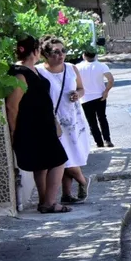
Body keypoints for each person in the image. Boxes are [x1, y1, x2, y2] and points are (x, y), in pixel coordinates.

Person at [4, 37, 70, 213]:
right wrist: (13, 131)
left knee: (42, 165)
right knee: (59, 160)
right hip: (32, 127)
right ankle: (50, 202)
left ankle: (44, 202)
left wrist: (54, 122)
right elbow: (12, 106)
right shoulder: (20, 73)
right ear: (35, 51)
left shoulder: (31, 70)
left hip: (44, 125)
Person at [39, 37, 93, 202]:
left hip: (73, 120)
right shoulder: (39, 72)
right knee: (63, 156)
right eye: (56, 52)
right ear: (45, 54)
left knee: (70, 155)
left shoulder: (71, 68)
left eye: (63, 51)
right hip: (53, 121)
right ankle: (83, 180)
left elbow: (82, 89)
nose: (61, 55)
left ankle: (67, 194)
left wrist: (78, 94)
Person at [77, 49, 114, 148]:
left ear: (84, 55)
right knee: (102, 118)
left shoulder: (78, 67)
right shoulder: (102, 66)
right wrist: (106, 91)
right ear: (95, 55)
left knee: (92, 121)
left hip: (85, 98)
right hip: (100, 96)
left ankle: (99, 143)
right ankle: (107, 140)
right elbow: (110, 80)